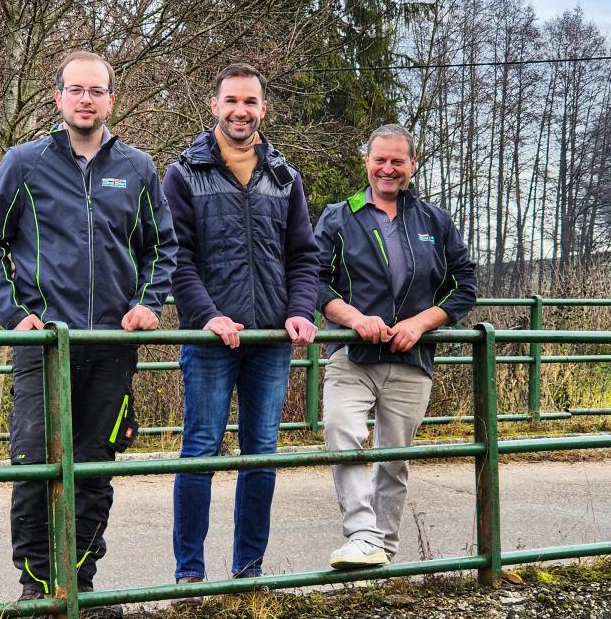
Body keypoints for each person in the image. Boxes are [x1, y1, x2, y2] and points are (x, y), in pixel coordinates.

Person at [0, 49, 177, 600]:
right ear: (58, 96)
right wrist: (16, 315)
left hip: (111, 345)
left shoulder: (137, 169)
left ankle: (79, 587)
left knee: (93, 470)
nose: (86, 100)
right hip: (44, 346)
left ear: (112, 99)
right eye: (76, 90)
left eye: (96, 91)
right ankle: (38, 589)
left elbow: (163, 247)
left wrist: (148, 304)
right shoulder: (25, 163)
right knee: (37, 466)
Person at [164, 62, 320, 590]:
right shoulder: (184, 173)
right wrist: (207, 316)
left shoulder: (285, 177)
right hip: (210, 340)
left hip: (271, 342)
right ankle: (190, 577)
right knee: (200, 451)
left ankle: (248, 573)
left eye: (250, 102)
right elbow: (177, 257)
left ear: (263, 110)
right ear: (214, 105)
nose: (240, 111)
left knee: (261, 455)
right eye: (231, 100)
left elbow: (304, 256)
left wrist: (300, 310)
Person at [314, 124, 477, 569]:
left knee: (394, 459)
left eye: (397, 161)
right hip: (353, 354)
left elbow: (465, 286)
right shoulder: (337, 216)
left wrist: (422, 323)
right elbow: (313, 281)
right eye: (379, 159)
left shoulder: (434, 221)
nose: (387, 169)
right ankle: (362, 534)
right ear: (365, 161)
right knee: (341, 430)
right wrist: (353, 318)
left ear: (411, 165)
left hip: (411, 360)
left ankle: (381, 550)